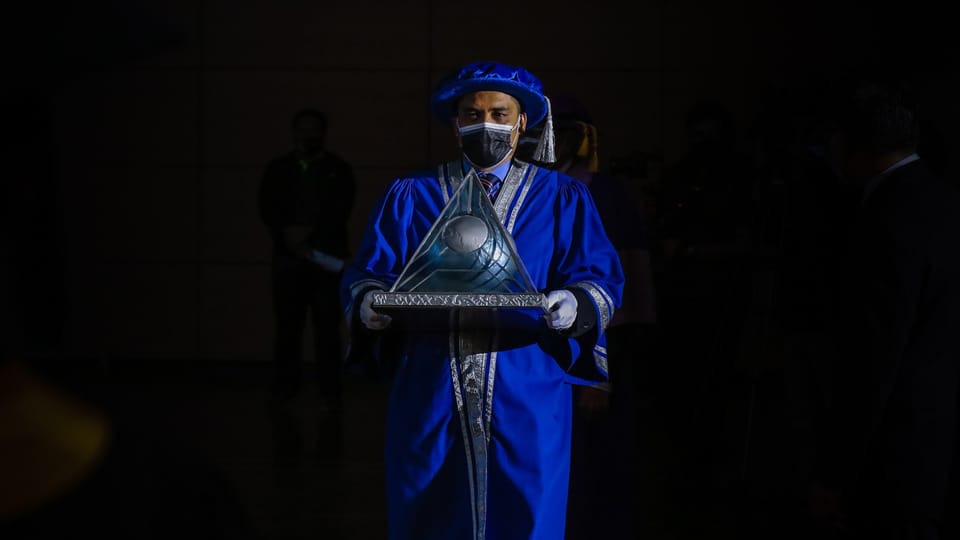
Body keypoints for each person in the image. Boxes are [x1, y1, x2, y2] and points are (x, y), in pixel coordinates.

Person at [339, 61, 624, 540]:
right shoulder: (412, 194)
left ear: (522, 122)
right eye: (472, 114)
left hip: (526, 380)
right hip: (433, 378)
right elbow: (371, 269)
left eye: (498, 113)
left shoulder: (562, 197)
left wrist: (576, 302)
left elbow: (598, 275)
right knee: (428, 502)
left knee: (528, 504)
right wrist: (368, 300)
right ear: (455, 123)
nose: (485, 124)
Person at [807, 75, 960, 540]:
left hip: (896, 457)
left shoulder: (884, 220)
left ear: (853, 143)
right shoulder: (944, 200)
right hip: (938, 443)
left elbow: (870, 361)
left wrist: (834, 475)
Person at [518, 94, 656, 537]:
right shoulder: (528, 188)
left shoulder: (601, 193)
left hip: (596, 348)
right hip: (541, 349)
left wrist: (599, 374)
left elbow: (613, 286)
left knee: (597, 454)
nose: (551, 142)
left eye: (564, 133)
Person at [258, 108, 356, 412]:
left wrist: (308, 237)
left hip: (326, 260)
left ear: (322, 133)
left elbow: (341, 209)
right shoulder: (278, 169)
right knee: (287, 328)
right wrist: (288, 236)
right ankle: (285, 387)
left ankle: (330, 390)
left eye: (314, 129)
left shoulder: (338, 169)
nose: (308, 135)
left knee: (327, 328)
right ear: (294, 132)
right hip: (288, 260)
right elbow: (267, 207)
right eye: (303, 129)